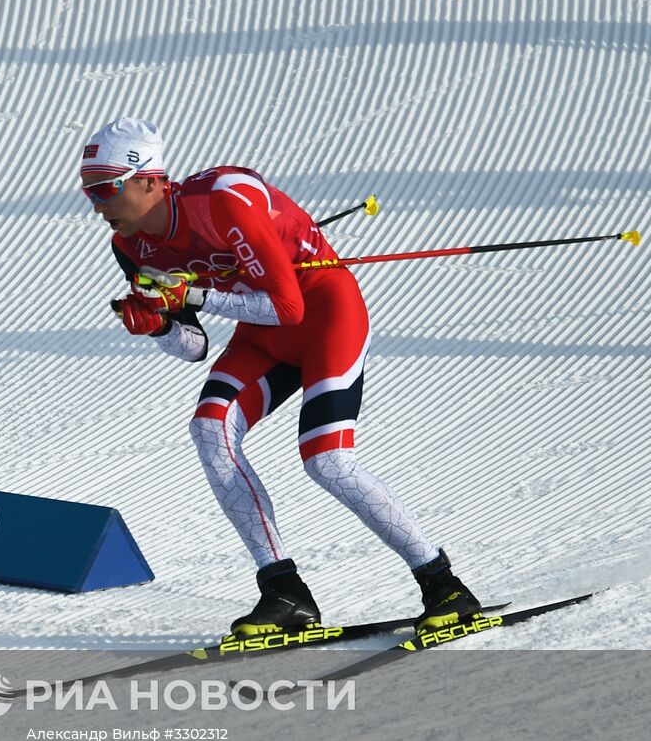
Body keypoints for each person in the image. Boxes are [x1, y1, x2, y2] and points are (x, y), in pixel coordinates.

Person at [80, 116, 482, 636]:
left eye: (106, 189)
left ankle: (445, 585)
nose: (97, 205)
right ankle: (284, 592)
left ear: (151, 180)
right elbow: (194, 347)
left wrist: (195, 295)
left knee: (327, 460)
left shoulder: (222, 202)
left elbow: (289, 306)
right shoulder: (131, 246)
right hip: (262, 331)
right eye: (89, 191)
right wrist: (157, 326)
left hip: (324, 315)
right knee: (210, 428)